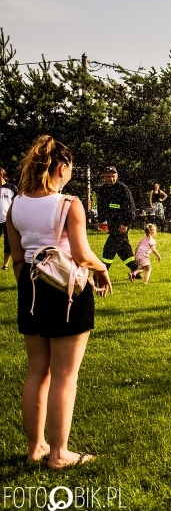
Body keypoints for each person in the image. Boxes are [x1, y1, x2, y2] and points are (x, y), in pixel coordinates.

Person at [6, 135, 112, 470]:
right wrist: (101, 269)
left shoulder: (16, 204)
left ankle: (36, 446)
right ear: (62, 167)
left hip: (30, 289)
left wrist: (28, 289)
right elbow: (80, 254)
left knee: (37, 370)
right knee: (65, 375)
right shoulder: (69, 203)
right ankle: (59, 453)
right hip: (67, 291)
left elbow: (18, 257)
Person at [96, 166, 138, 275]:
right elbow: (101, 206)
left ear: (117, 175)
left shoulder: (123, 189)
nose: (111, 178)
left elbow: (131, 208)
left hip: (122, 225)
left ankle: (102, 272)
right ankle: (135, 269)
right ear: (104, 176)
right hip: (112, 224)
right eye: (108, 176)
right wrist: (101, 220)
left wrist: (126, 223)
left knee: (109, 248)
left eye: (113, 176)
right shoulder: (103, 190)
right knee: (123, 249)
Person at [1, 167, 19, 269]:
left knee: (8, 243)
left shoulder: (12, 188)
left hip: (8, 219)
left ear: (2, 175)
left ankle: (5, 264)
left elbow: (17, 202)